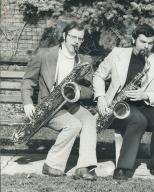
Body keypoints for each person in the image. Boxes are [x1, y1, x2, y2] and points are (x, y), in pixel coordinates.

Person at [21, 21, 97, 180]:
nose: (76, 41)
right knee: (73, 124)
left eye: (80, 39)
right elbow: (28, 80)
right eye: (73, 37)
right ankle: (51, 165)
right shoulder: (44, 54)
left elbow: (89, 90)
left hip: (71, 104)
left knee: (89, 120)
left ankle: (83, 167)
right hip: (49, 106)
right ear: (64, 36)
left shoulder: (84, 61)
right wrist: (28, 102)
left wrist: (77, 91)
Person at [93, 24, 154, 180]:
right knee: (138, 120)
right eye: (142, 42)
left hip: (146, 105)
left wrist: (145, 95)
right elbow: (98, 75)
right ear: (133, 39)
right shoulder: (117, 54)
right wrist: (100, 97)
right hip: (119, 106)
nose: (146, 46)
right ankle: (123, 167)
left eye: (150, 43)